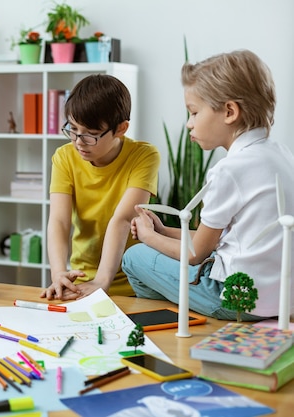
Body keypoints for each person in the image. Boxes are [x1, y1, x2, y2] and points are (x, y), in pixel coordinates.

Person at [122, 49, 294, 321]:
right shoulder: (283, 155)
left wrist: (148, 237)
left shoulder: (229, 170)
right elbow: (215, 240)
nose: (189, 124)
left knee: (135, 257)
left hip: (236, 299)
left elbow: (196, 253)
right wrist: (164, 230)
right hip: (282, 300)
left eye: (194, 112)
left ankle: (177, 326)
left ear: (229, 111)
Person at [40, 74, 160, 301]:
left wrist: (102, 281)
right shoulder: (64, 157)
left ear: (121, 128)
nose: (78, 142)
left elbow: (123, 219)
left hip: (136, 282)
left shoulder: (144, 156)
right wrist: (58, 274)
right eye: (73, 129)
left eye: (91, 135)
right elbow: (59, 220)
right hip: (82, 280)